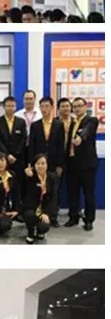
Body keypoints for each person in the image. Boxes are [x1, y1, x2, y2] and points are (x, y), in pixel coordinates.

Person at [65, 97, 98, 231]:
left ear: (85, 107)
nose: (77, 108)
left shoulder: (91, 120)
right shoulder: (73, 122)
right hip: (72, 163)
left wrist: (80, 138)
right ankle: (74, 217)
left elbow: (87, 131)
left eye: (79, 106)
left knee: (88, 193)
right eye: (75, 106)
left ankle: (89, 220)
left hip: (87, 165)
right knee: (73, 192)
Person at [0, 96, 28, 215]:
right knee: (3, 184)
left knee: (18, 185)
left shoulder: (21, 122)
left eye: (13, 106)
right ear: (4, 107)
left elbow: (23, 140)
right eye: (8, 105)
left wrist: (15, 154)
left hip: (18, 160)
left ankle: (17, 210)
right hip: (3, 160)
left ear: (16, 107)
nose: (10, 108)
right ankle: (4, 208)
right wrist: (7, 155)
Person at [27, 97, 65, 205]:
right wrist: (31, 163)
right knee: (38, 187)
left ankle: (53, 211)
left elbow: (61, 146)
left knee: (54, 188)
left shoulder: (59, 124)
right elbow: (31, 146)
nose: (44, 109)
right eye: (42, 106)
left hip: (53, 162)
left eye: (47, 106)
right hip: (39, 164)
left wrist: (60, 164)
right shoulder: (35, 125)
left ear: (52, 107)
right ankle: (39, 210)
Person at [23, 155, 58, 244]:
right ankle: (30, 233)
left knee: (44, 226)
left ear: (47, 164)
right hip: (32, 207)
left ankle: (40, 231)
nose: (40, 166)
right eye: (38, 164)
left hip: (44, 207)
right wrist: (29, 177)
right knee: (30, 215)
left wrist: (46, 213)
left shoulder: (52, 177)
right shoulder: (31, 176)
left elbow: (53, 197)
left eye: (43, 163)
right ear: (34, 166)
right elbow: (28, 196)